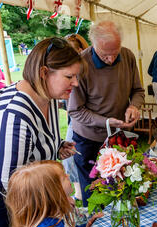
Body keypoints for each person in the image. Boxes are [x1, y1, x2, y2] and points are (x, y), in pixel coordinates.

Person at [0, 36, 83, 227]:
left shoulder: (49, 97)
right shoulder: (16, 113)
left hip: (20, 195)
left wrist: (54, 147)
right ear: (44, 73)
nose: (75, 83)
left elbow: (33, 146)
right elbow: (6, 181)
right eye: (69, 77)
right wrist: (54, 199)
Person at [68, 20, 145, 208]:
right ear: (93, 44)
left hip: (117, 138)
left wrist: (134, 106)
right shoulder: (81, 65)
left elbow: (138, 91)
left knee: (120, 188)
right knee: (94, 195)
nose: (111, 59)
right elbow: (75, 110)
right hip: (88, 140)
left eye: (115, 53)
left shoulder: (127, 55)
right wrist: (106, 122)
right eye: (105, 55)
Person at [63, 33, 90, 200]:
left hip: (82, 119)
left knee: (74, 155)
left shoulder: (84, 70)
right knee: (71, 156)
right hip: (73, 116)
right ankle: (78, 189)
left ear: (81, 50)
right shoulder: (68, 69)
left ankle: (80, 190)